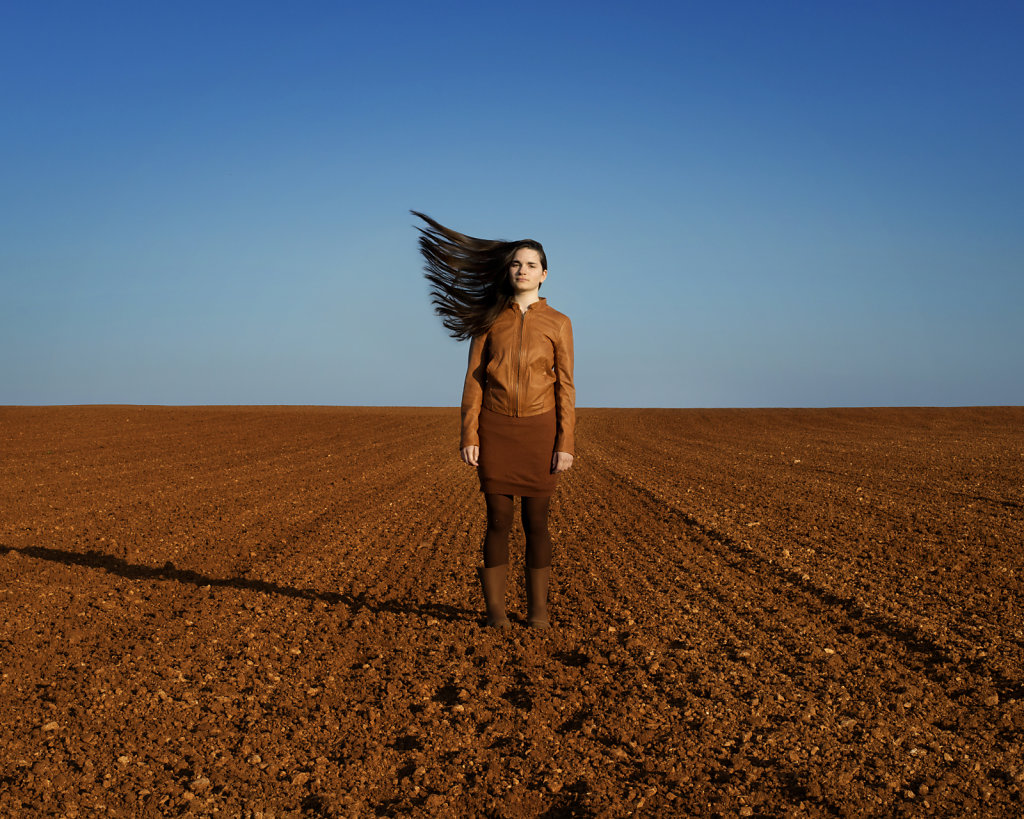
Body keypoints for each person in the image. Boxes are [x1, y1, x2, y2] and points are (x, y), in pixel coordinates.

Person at [413, 211, 575, 629]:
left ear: (545, 275)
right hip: (496, 428)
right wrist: (469, 433)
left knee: (536, 522)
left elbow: (566, 388)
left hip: (540, 431)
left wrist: (565, 443)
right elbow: (474, 380)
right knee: (498, 522)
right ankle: (496, 614)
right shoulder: (489, 320)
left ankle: (538, 613)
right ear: (509, 270)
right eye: (517, 263)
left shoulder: (559, 323)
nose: (523, 270)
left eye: (532, 265)